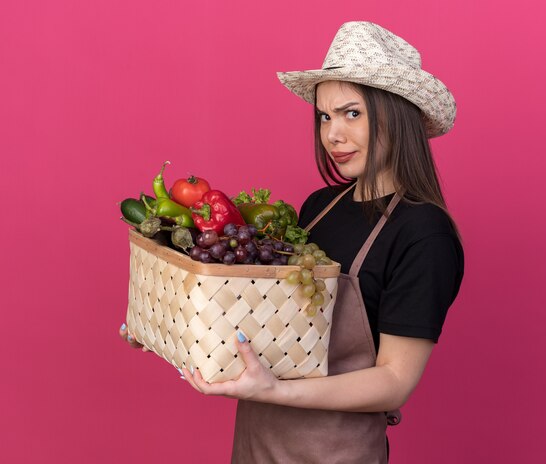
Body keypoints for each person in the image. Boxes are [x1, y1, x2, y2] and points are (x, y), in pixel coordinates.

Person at [119, 21, 464, 463]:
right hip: (258, 435)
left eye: (352, 113)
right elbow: (273, 320)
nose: (332, 134)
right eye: (325, 116)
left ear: (396, 114)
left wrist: (276, 390)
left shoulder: (423, 233)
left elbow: (395, 380)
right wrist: (174, 327)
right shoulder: (320, 205)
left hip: (335, 451)